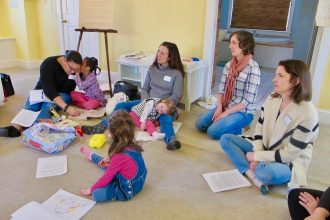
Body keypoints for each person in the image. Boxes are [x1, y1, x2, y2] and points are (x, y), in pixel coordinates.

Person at [220, 60, 319, 195]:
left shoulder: (308, 113)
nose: (274, 79)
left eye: (280, 76)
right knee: (226, 139)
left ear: (295, 81)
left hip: (288, 162)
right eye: (275, 75)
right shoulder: (272, 99)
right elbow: (259, 129)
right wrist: (257, 153)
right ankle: (254, 176)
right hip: (266, 148)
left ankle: (255, 172)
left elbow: (289, 155)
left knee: (264, 171)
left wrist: (257, 156)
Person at [81, 41, 184, 150]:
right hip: (148, 102)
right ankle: (101, 126)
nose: (158, 54)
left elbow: (176, 96)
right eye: (158, 51)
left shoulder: (176, 74)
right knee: (121, 106)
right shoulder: (152, 69)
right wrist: (146, 102)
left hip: (164, 106)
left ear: (170, 57)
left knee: (166, 118)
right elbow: (145, 88)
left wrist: (163, 105)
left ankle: (171, 139)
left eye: (162, 53)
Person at [0, 50, 82, 138]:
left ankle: (40, 127)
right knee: (31, 107)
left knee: (48, 106)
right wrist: (67, 108)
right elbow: (49, 90)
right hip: (43, 89)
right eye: (71, 68)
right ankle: (15, 128)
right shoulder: (48, 64)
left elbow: (72, 87)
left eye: (76, 69)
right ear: (64, 60)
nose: (73, 71)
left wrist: (77, 75)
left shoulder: (75, 70)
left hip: (62, 94)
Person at [195, 30, 260, 140]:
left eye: (234, 43)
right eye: (230, 42)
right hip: (226, 105)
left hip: (243, 112)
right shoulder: (229, 65)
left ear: (244, 45)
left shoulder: (253, 68)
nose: (230, 46)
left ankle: (241, 127)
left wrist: (224, 114)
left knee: (213, 132)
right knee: (200, 124)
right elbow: (221, 90)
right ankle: (224, 123)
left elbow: (247, 102)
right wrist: (219, 109)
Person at [79, 110, 147, 202]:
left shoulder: (119, 156)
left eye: (109, 131)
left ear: (115, 135)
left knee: (96, 194)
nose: (107, 133)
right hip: (140, 181)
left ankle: (93, 157)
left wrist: (90, 189)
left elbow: (107, 177)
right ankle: (92, 156)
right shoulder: (133, 145)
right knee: (106, 163)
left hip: (128, 189)